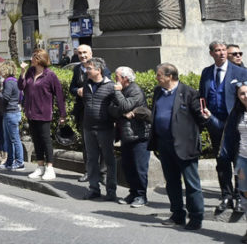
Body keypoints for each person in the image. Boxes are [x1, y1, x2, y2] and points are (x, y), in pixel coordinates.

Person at [151, 62, 213, 230]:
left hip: (185, 145)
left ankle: (196, 217)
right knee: (171, 182)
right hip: (164, 144)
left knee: (192, 184)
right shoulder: (158, 92)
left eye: (159, 75)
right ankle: (177, 214)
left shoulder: (189, 93)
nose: (156, 78)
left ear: (169, 76)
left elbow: (201, 120)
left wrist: (205, 119)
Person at [201, 40, 247, 218]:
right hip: (214, 123)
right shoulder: (206, 72)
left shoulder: (240, 72)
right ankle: (226, 196)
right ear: (211, 53)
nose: (221, 53)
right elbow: (202, 96)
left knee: (238, 162)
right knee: (221, 163)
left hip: (234, 125)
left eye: (223, 50)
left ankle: (239, 197)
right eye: (217, 51)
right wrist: (204, 117)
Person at [19, 48, 67, 181]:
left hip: (44, 113)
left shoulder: (50, 75)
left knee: (46, 141)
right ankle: (40, 166)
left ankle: (50, 168)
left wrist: (63, 114)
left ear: (40, 59)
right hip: (30, 112)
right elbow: (21, 87)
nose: (31, 59)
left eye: (34, 57)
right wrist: (22, 73)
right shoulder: (30, 72)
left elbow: (59, 95)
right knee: (36, 140)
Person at [110, 65, 151, 207]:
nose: (115, 80)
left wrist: (118, 94)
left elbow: (125, 106)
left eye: (117, 77)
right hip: (126, 135)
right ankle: (133, 192)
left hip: (138, 135)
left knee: (140, 168)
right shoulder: (121, 91)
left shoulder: (135, 91)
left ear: (125, 79)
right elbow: (112, 109)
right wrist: (122, 112)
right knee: (128, 167)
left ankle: (141, 195)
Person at [212, 81, 247, 244]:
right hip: (242, 159)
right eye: (242, 94)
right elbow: (228, 134)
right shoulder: (237, 112)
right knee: (245, 195)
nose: (245, 96)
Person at [79, 57, 117, 201]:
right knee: (92, 159)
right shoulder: (86, 84)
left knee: (109, 160)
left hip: (105, 128)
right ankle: (94, 188)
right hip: (88, 127)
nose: (86, 71)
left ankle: (111, 190)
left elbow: (116, 106)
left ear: (98, 70)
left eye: (89, 68)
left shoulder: (110, 86)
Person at [0, 60, 24, 171]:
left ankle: (19, 162)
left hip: (10, 113)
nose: (0, 71)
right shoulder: (14, 81)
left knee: (14, 139)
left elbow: (6, 97)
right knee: (9, 139)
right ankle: (9, 162)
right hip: (13, 112)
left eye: (2, 69)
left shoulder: (8, 82)